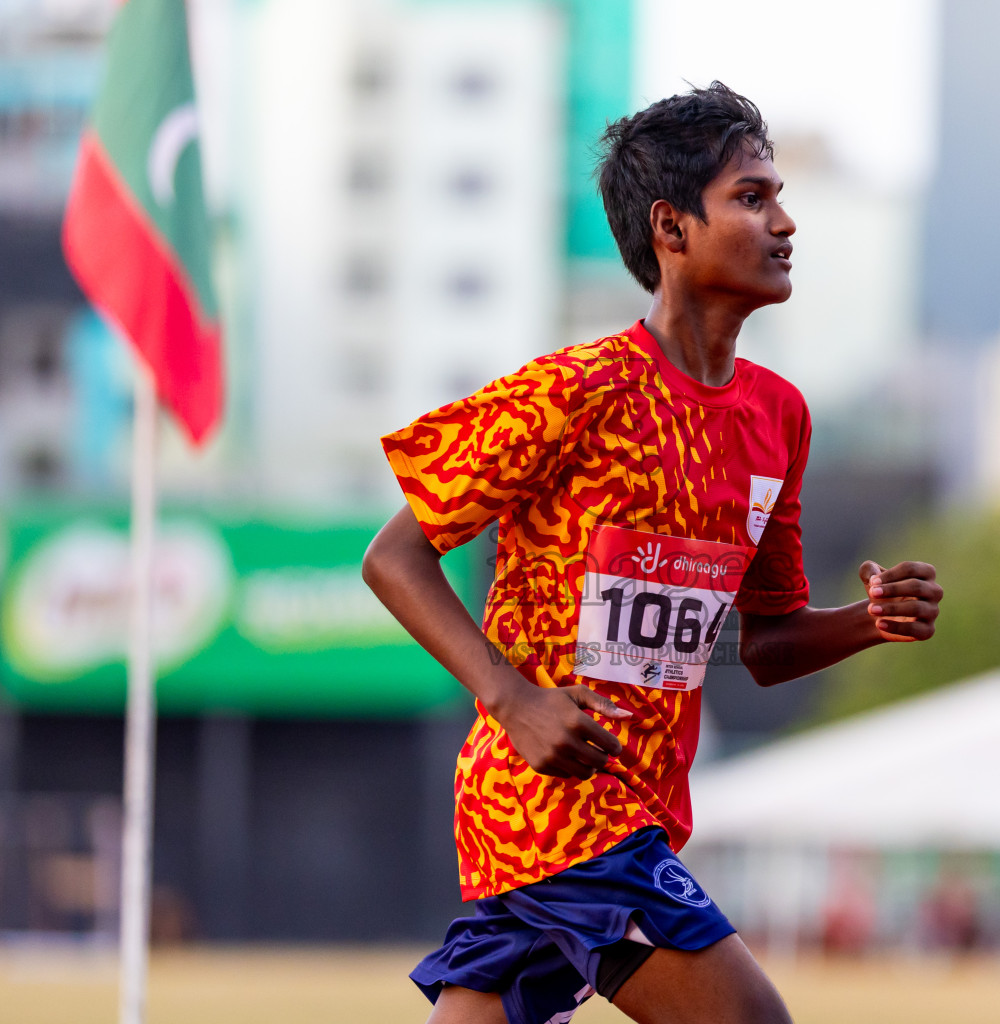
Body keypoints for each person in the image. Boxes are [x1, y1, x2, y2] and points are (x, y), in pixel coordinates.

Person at [362, 82, 943, 1024]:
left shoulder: (777, 417)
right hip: (550, 805)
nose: (785, 222)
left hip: (643, 807)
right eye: (751, 198)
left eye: (780, 195)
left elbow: (768, 642)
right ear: (671, 229)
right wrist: (511, 700)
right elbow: (393, 557)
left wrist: (865, 624)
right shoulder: (574, 391)